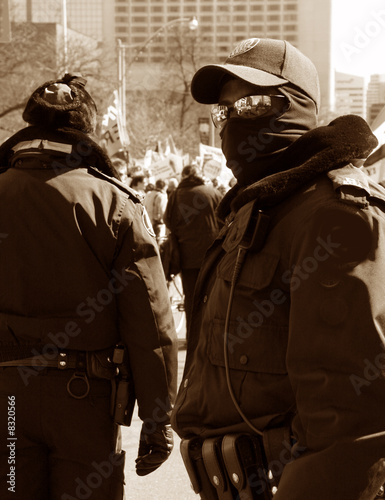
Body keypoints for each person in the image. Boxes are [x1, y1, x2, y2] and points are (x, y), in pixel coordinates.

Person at [171, 38, 385, 499]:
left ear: (295, 107)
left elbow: (357, 421)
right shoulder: (258, 209)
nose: (231, 121)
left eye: (250, 102)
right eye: (223, 111)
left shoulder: (337, 215)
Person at [0, 74, 177, 500]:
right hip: (83, 400)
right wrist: (157, 418)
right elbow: (149, 321)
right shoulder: (115, 203)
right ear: (84, 134)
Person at [164, 165, 222, 336]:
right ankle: (212, 335)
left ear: (184, 176)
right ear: (199, 175)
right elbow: (227, 220)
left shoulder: (175, 195)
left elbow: (168, 222)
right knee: (213, 296)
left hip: (187, 257)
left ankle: (194, 337)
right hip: (213, 255)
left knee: (192, 299)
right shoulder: (213, 192)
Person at [143, 178, 168, 243]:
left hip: (147, 223)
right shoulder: (161, 196)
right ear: (165, 186)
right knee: (159, 244)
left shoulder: (148, 194)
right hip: (157, 225)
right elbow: (162, 212)